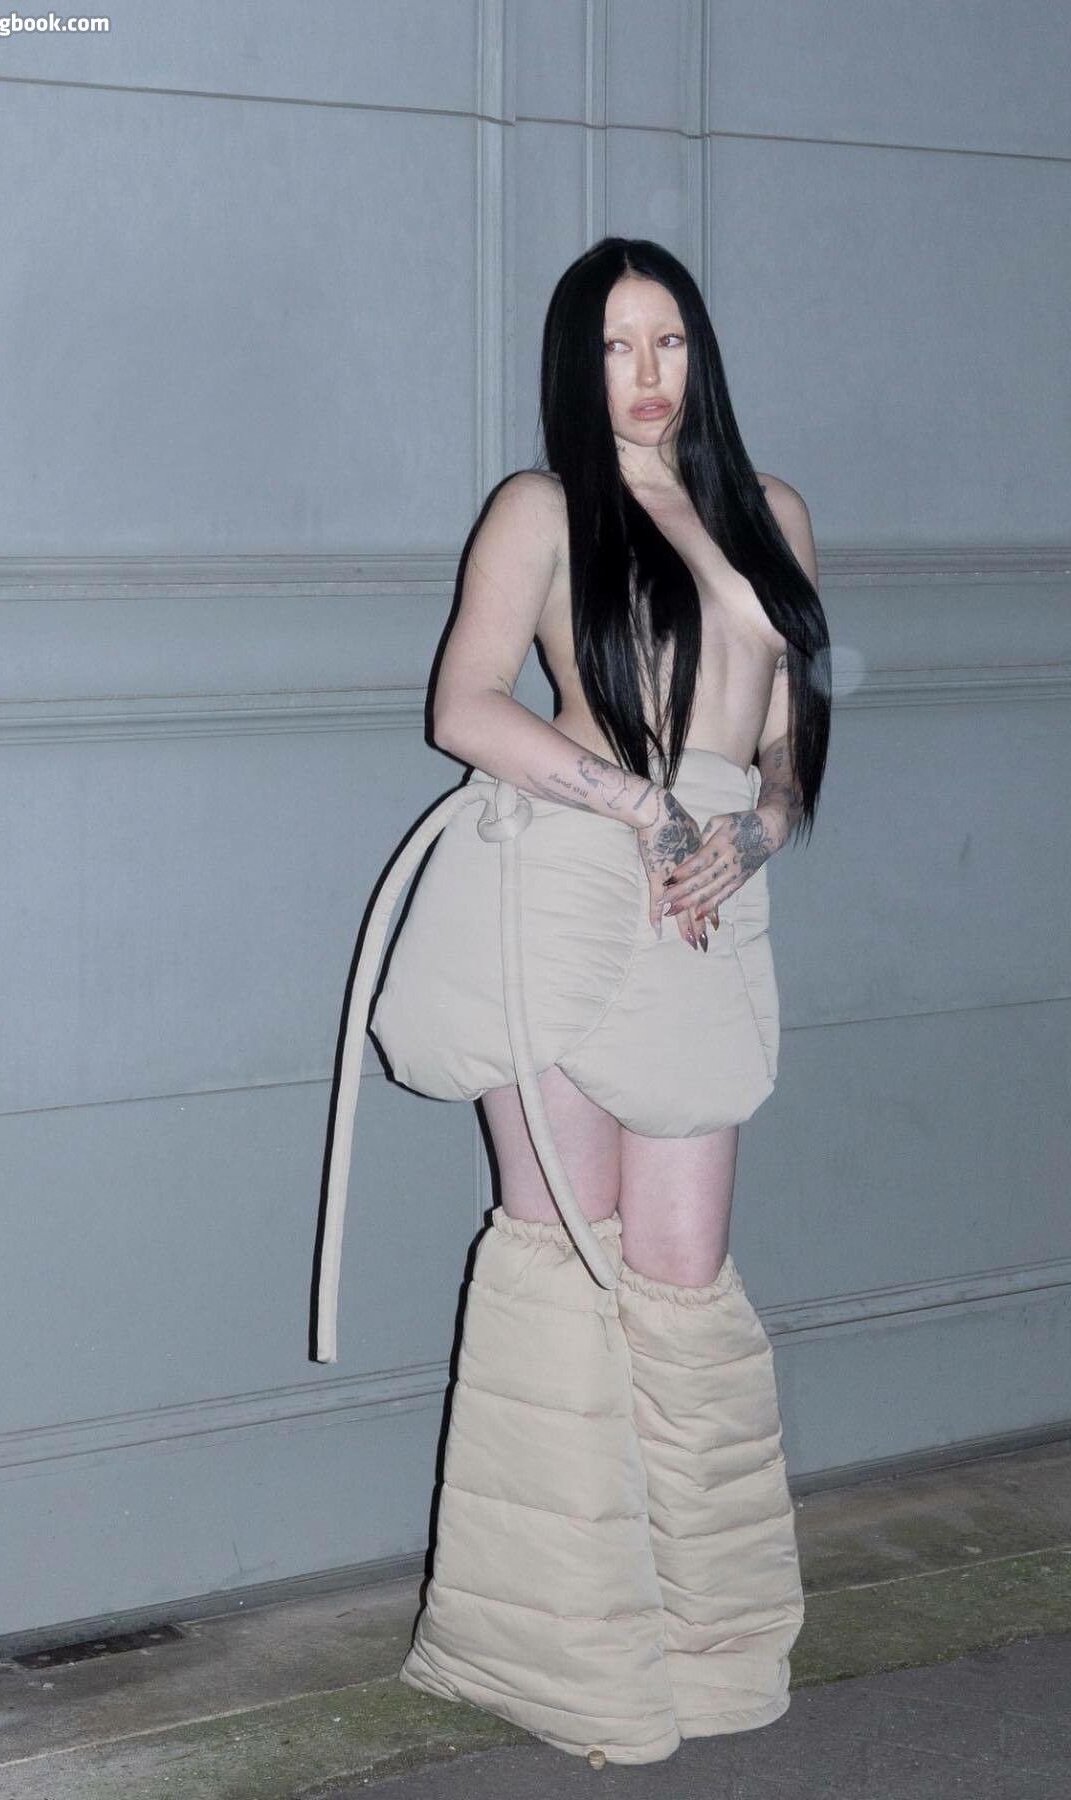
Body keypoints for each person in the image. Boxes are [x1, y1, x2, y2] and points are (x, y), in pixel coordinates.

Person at [318, 236, 831, 1768]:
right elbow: (463, 705)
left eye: (668, 340)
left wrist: (753, 834)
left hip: (705, 900)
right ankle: (559, 1661)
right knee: (561, 1262)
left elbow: (791, 746)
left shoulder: (775, 513)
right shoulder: (541, 510)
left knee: (680, 1270)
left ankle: (708, 1647)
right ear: (574, 364)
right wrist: (639, 805)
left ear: (701, 353)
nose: (647, 374)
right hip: (561, 879)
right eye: (615, 345)